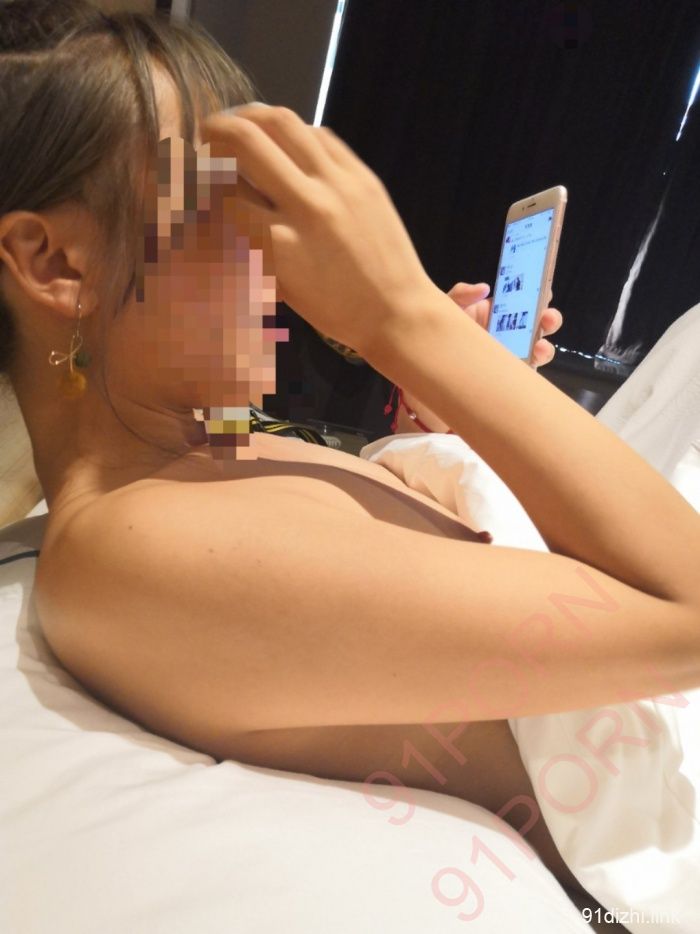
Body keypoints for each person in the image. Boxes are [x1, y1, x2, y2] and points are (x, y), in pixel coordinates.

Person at [1, 1, 699, 913]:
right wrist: (401, 316)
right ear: (58, 264)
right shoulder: (126, 547)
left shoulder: (211, 461)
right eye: (230, 199)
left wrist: (440, 415)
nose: (284, 252)